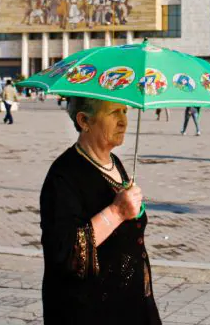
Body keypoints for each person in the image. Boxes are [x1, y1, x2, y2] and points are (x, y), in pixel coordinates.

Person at [40, 97, 160, 324]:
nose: (123, 121)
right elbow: (64, 253)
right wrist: (116, 212)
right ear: (84, 120)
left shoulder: (114, 162)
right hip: (88, 310)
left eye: (125, 111)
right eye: (114, 112)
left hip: (131, 304)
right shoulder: (63, 176)